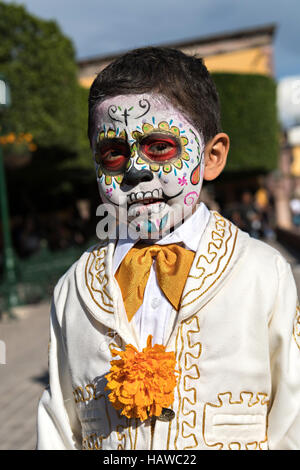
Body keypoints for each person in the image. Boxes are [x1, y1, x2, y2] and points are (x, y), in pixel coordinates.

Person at [37, 47, 300, 450]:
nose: (135, 172)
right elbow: (58, 427)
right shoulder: (73, 291)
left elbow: (293, 416)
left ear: (212, 157)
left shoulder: (263, 274)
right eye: (113, 154)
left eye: (159, 147)